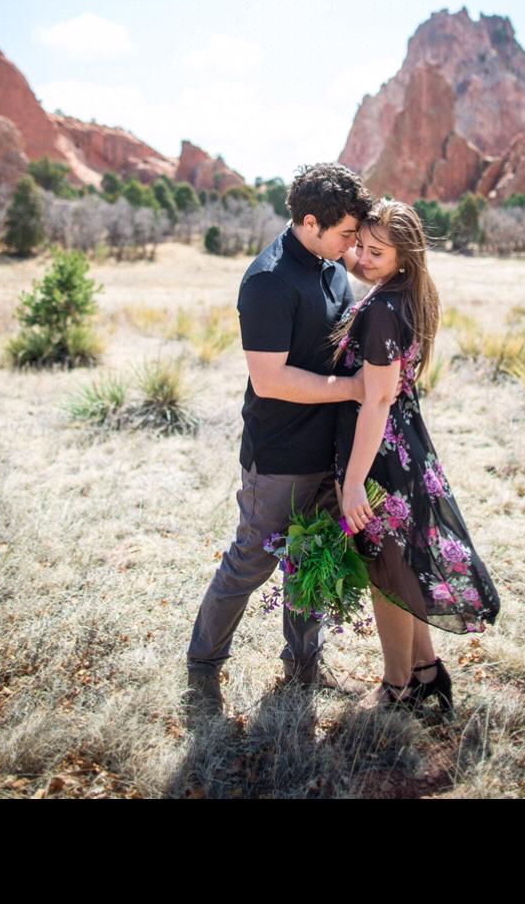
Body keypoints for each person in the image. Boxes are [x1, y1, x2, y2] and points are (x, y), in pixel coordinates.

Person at [185, 162, 374, 715]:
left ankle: (304, 667)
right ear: (310, 222)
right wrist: (351, 388)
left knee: (312, 557)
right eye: (346, 234)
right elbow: (271, 380)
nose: (352, 246)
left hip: (328, 451)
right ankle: (202, 667)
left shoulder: (331, 265)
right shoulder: (268, 280)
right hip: (280, 453)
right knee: (251, 561)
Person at [332, 197, 501, 715]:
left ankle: (397, 687)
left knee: (388, 577)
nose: (362, 257)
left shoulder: (383, 309)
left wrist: (355, 481)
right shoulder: (401, 292)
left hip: (381, 455)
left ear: (404, 257)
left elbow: (377, 398)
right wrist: (345, 253)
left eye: (376, 251)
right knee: (399, 569)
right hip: (404, 447)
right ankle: (427, 673)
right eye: (359, 244)